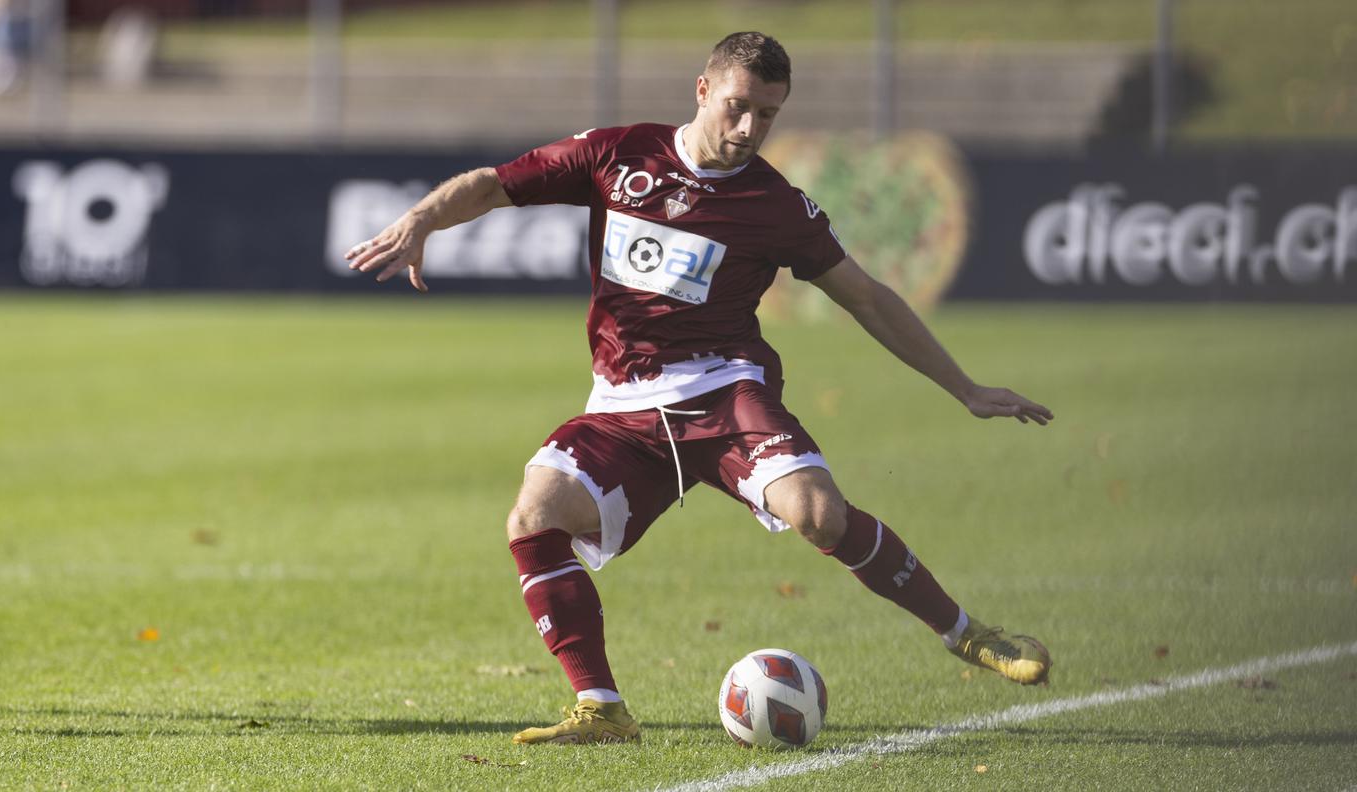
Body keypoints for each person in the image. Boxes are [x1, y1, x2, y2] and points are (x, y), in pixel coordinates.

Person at [346, 31, 1054, 745]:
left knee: (817, 514)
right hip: (622, 408)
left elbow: (866, 298)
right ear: (703, 90)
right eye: (738, 107)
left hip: (724, 393)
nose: (749, 128)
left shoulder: (777, 206)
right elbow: (494, 184)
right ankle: (601, 709)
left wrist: (964, 388)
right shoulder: (617, 154)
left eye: (767, 114)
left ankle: (966, 633)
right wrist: (421, 219)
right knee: (534, 517)